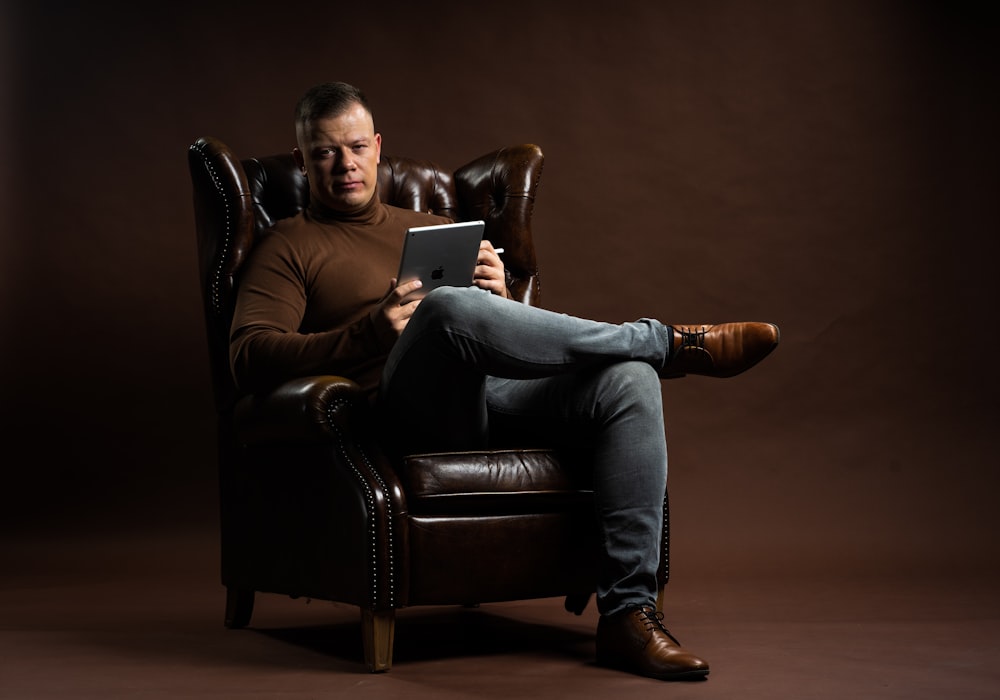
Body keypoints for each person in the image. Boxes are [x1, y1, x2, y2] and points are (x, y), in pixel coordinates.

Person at [229, 81, 780, 681]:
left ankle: (627, 615)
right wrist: (369, 334)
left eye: (356, 147)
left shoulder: (433, 226)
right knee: (444, 310)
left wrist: (498, 292)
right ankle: (668, 340)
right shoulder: (287, 245)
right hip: (398, 414)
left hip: (491, 394)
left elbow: (499, 332)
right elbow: (249, 356)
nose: (344, 165)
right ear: (303, 157)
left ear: (378, 146)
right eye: (325, 153)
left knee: (629, 381)